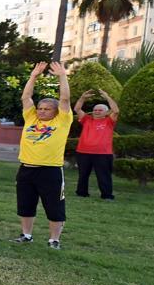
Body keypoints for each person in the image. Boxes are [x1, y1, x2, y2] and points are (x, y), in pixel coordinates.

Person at [13, 62, 72, 249]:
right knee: (25, 205)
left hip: (50, 171)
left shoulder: (62, 120)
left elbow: (64, 99)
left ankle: (54, 240)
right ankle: (26, 235)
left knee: (54, 207)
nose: (41, 111)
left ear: (55, 111)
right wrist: (33, 76)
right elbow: (26, 97)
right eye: (40, 108)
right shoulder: (31, 118)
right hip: (26, 169)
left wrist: (62, 76)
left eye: (47, 109)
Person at [74, 88, 118, 200]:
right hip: (83, 152)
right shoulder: (86, 119)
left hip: (103, 154)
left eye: (100, 110)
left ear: (107, 112)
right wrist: (82, 98)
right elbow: (77, 109)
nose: (97, 111)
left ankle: (107, 195)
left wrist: (107, 97)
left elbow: (116, 111)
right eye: (95, 110)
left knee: (104, 176)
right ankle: (81, 193)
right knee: (83, 175)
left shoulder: (109, 121)